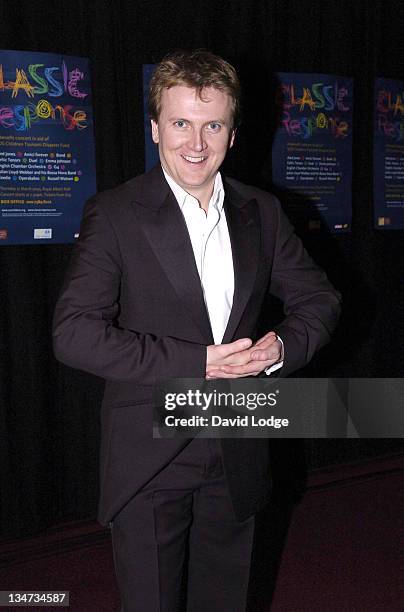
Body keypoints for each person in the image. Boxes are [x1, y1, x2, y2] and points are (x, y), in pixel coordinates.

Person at [53, 50, 341, 612]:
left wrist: (280, 347)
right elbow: (74, 333)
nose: (196, 143)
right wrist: (199, 363)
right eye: (181, 122)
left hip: (237, 444)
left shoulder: (263, 211)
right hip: (152, 451)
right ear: (155, 126)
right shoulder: (115, 213)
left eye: (213, 125)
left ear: (233, 134)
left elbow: (319, 299)